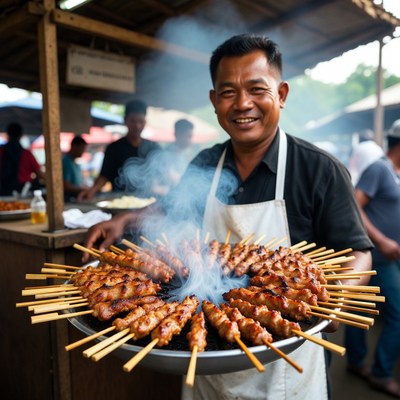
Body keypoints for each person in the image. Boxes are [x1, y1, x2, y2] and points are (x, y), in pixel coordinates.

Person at [83, 34, 372, 400]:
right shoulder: (206, 163)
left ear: (281, 94)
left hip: (286, 366)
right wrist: (124, 220)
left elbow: (358, 253)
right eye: (228, 92)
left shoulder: (320, 170)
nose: (243, 104)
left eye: (256, 89)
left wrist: (339, 297)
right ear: (214, 101)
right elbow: (170, 207)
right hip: (209, 359)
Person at [344, 119, 400, 398]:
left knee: (359, 309)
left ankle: (356, 361)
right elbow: (356, 205)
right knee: (397, 314)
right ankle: (380, 372)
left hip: (392, 255)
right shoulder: (379, 169)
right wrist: (382, 240)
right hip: (378, 256)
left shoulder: (396, 173)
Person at [77, 99, 161, 201]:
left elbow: (163, 175)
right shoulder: (114, 148)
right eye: (133, 121)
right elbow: (104, 176)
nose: (137, 126)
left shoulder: (154, 148)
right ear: (125, 121)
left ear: (145, 122)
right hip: (120, 200)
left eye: (140, 121)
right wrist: (91, 191)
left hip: (148, 201)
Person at [151, 118, 195, 196]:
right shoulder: (163, 156)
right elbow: (154, 186)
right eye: (188, 136)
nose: (191, 141)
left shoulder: (186, 155)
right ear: (177, 134)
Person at [0, 122, 45, 196]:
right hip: (23, 191)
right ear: (21, 135)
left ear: (8, 134)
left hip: (4, 190)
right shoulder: (26, 153)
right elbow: (40, 174)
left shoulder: (1, 151)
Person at [62, 135, 88, 202]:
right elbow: (66, 186)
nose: (83, 152)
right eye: (82, 148)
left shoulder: (75, 163)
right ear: (74, 147)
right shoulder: (66, 162)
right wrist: (83, 189)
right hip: (69, 199)